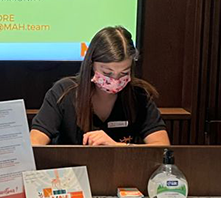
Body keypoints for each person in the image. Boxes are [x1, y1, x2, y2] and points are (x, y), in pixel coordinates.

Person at [30, 26, 170, 146]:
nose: (115, 80)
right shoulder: (63, 92)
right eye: (107, 73)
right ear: (91, 65)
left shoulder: (139, 96)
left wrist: (118, 147)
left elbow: (162, 147)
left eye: (124, 73)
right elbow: (34, 143)